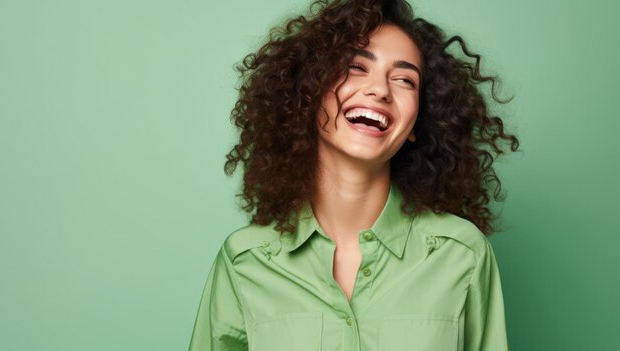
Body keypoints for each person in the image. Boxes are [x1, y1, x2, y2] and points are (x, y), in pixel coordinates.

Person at [188, 0, 519, 350]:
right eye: (356, 67)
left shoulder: (462, 254)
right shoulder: (245, 261)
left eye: (405, 79)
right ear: (310, 93)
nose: (379, 90)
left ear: (417, 123)